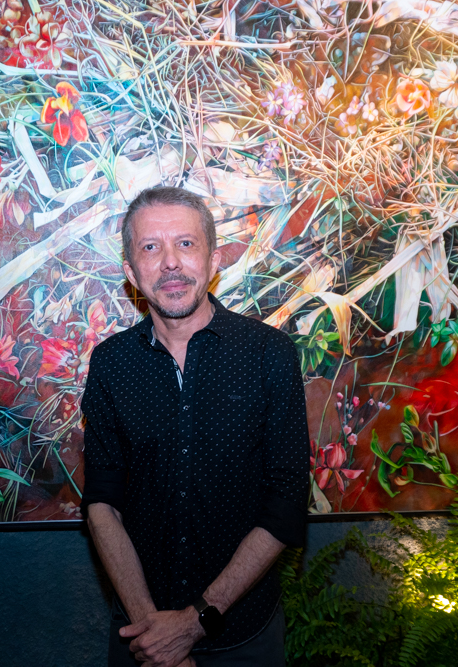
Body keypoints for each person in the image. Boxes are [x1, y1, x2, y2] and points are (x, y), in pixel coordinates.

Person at [80, 186, 310, 667]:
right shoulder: (110, 364)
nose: (170, 262)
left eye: (185, 244)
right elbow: (102, 504)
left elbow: (286, 504)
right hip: (140, 638)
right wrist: (153, 633)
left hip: (244, 637)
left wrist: (192, 623)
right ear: (131, 272)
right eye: (150, 247)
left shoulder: (269, 354)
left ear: (212, 261)